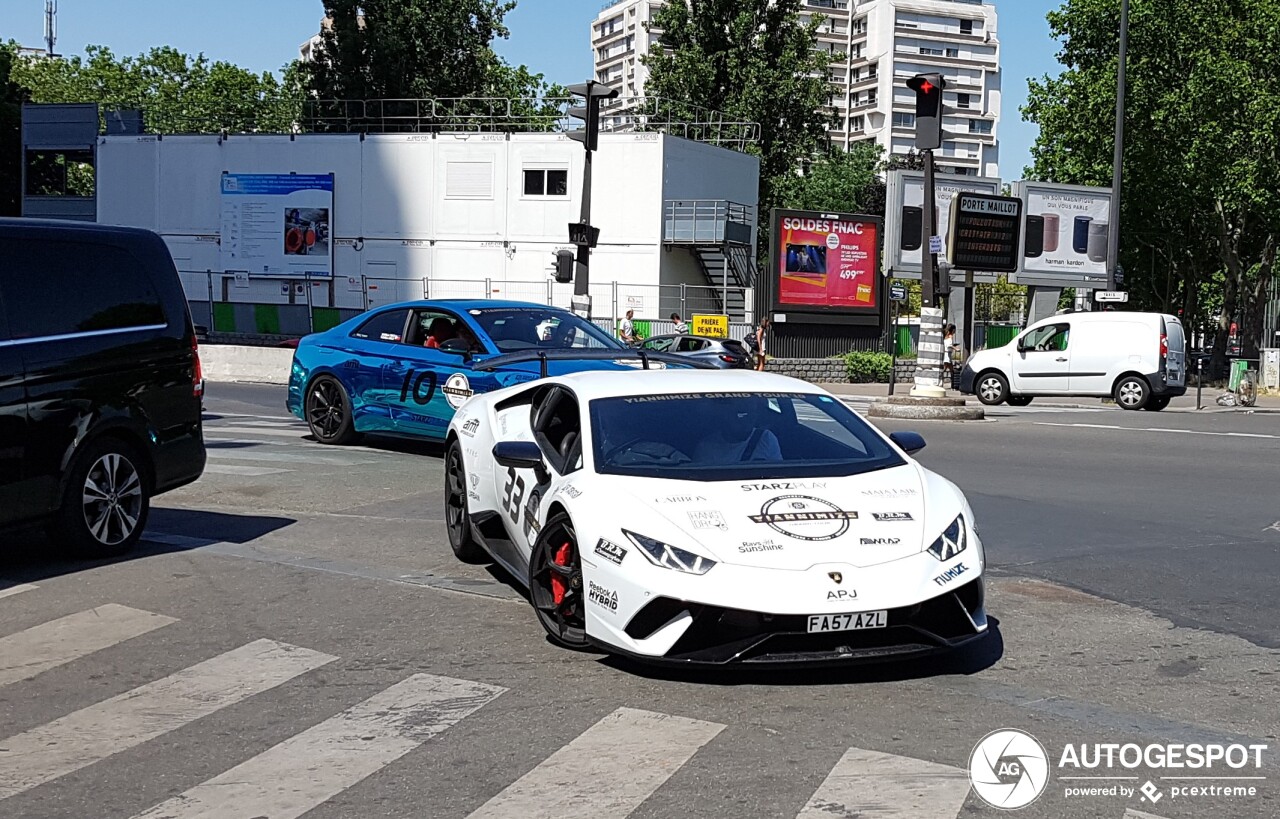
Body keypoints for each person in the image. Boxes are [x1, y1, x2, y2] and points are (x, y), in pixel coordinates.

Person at [692, 399, 783, 464]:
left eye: (750, 415)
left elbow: (778, 473)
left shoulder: (766, 438)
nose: (746, 422)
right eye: (740, 416)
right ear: (726, 417)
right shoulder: (707, 447)